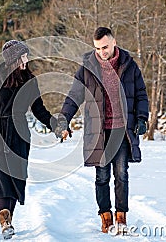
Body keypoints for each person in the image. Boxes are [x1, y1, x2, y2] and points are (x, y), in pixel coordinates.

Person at [59, 27, 149, 234]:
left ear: (114, 42)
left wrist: (142, 118)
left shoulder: (129, 66)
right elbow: (73, 97)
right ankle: (105, 216)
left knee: (122, 174)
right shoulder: (87, 69)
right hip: (99, 132)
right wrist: (63, 120)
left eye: (105, 47)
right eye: (98, 48)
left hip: (122, 131)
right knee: (102, 177)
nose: (102, 52)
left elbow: (141, 94)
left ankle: (121, 217)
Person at [0, 40, 60, 239]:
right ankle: (5, 220)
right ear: (13, 58)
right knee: (1, 177)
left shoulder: (30, 80)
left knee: (15, 177)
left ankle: (8, 217)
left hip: (19, 133)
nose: (27, 60)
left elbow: (39, 110)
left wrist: (56, 125)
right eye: (23, 56)